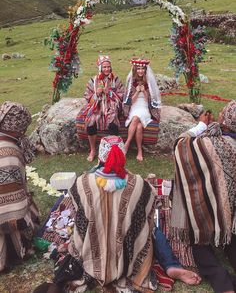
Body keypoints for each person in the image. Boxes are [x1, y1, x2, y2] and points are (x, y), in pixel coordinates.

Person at [46, 135, 200, 293]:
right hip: (128, 259)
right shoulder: (141, 185)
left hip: (92, 254)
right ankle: (171, 265)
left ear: (100, 157)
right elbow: (147, 217)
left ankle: (100, 261)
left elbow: (80, 220)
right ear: (123, 157)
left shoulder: (81, 183)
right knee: (152, 228)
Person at [170, 100, 236, 293]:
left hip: (208, 213)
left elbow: (180, 146)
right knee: (230, 240)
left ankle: (222, 283)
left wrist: (200, 126)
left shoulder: (208, 143)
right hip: (231, 216)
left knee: (197, 236)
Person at [0, 101, 39, 272]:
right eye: (23, 128)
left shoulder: (8, 142)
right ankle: (12, 247)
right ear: (16, 128)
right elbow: (11, 206)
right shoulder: (9, 155)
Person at [77, 55, 124, 162]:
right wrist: (96, 94)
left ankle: (113, 151)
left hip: (111, 105)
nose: (107, 69)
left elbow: (122, 95)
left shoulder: (115, 79)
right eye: (104, 67)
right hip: (97, 106)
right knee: (91, 121)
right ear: (100, 68)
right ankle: (93, 150)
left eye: (108, 67)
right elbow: (87, 96)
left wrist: (110, 93)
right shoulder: (93, 81)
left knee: (112, 120)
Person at [123, 57, 161, 161]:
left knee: (135, 118)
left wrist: (144, 91)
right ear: (135, 70)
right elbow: (130, 101)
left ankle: (127, 144)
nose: (140, 71)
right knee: (139, 127)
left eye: (142, 69)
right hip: (135, 107)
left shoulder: (148, 82)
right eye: (138, 69)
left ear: (145, 70)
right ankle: (140, 150)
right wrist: (137, 92)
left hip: (144, 107)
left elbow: (150, 100)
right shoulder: (132, 82)